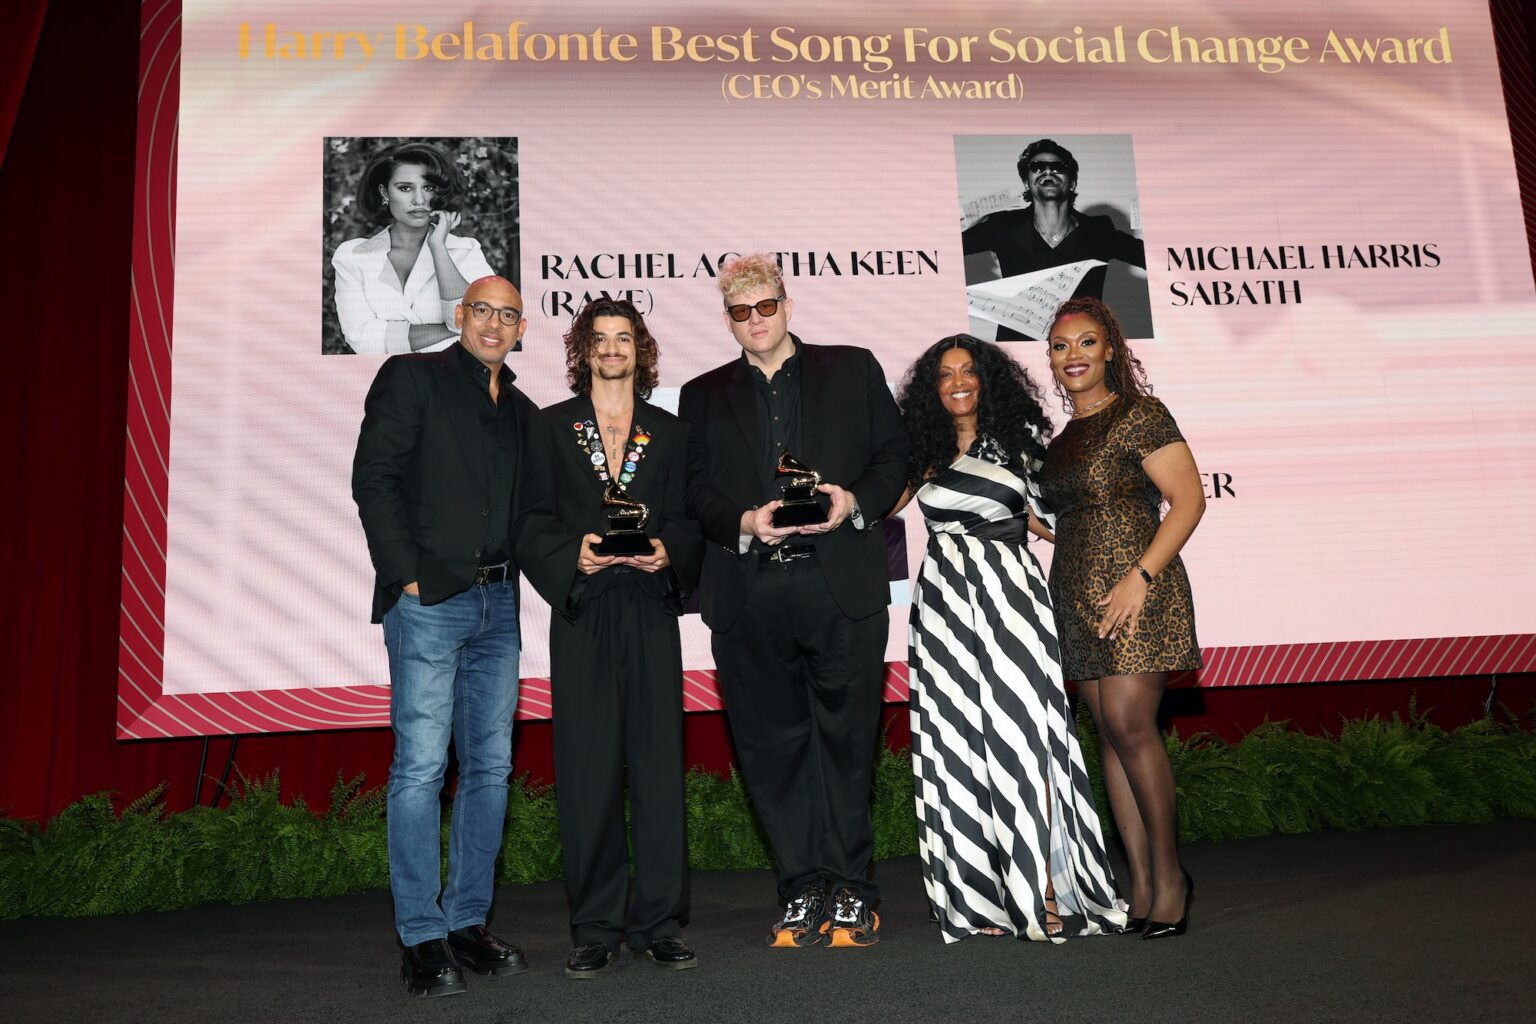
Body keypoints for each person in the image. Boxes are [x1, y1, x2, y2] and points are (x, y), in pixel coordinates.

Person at [678, 253, 909, 948]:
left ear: (787, 303)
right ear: (728, 319)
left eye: (766, 306)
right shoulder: (702, 393)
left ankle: (853, 891)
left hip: (839, 582)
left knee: (846, 743)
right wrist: (745, 523)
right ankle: (801, 888)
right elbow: (694, 493)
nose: (756, 321)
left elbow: (895, 456)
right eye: (741, 312)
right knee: (771, 749)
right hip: (750, 592)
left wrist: (853, 503)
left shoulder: (854, 367)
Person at [894, 335, 1127, 943]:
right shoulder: (923, 455)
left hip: (1012, 603)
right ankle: (980, 901)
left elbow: (1059, 524)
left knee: (1028, 743)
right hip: (945, 609)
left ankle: (1046, 889)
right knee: (958, 748)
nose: (958, 382)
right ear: (931, 390)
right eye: (944, 375)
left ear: (988, 380)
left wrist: (1125, 564)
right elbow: (866, 509)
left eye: (969, 371)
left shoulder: (1023, 448)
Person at [352, 275, 537, 995]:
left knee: (490, 770)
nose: (495, 323)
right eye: (483, 310)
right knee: (423, 769)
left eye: (508, 315)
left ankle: (466, 922)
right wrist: (407, 577)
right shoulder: (412, 376)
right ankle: (421, 938)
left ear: (522, 329)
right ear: (460, 316)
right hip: (431, 602)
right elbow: (375, 479)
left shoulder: (521, 409)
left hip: (501, 603)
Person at [517, 298, 704, 978]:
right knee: (590, 770)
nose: (613, 349)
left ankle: (657, 922)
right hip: (587, 609)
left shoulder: (671, 431)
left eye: (624, 338)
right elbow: (531, 518)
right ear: (583, 350)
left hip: (650, 608)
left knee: (657, 769)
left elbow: (689, 520)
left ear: (641, 348)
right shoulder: (549, 428)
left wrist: (666, 551)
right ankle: (594, 926)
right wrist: (575, 554)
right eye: (600, 339)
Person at [1037, 297, 1205, 940]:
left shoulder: (1141, 415)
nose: (1073, 355)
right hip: (1077, 598)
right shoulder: (1061, 440)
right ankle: (1138, 883)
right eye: (1060, 346)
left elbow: (1188, 500)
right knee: (1108, 731)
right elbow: (1076, 518)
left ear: (1109, 350)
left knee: (1132, 723)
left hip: (1140, 591)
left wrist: (1139, 576)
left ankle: (1170, 879)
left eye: (1086, 342)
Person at [962, 138, 1145, 340]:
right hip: (1018, 348)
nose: (1048, 172)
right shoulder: (1003, 226)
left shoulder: (1098, 231)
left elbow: (1154, 259)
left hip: (1081, 345)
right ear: (1026, 182)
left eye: (1058, 167)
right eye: (1037, 167)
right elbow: (948, 248)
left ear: (1072, 182)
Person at [332, 141, 497, 354]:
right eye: (405, 188)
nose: (419, 200)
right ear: (384, 192)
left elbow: (486, 322)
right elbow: (362, 340)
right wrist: (454, 330)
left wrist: (438, 247)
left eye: (428, 188)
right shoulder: (352, 256)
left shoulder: (466, 252)